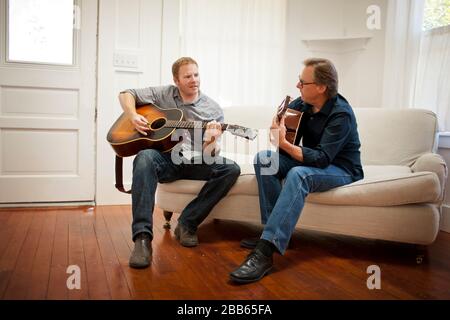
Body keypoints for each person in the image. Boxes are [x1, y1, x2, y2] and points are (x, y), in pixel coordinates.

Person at [229, 58, 364, 283]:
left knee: (298, 174)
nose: (297, 85)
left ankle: (265, 251)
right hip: (314, 161)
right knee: (264, 159)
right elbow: (284, 150)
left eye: (302, 82)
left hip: (341, 168)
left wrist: (284, 144)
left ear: (321, 87)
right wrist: (277, 133)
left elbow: (321, 159)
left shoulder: (342, 114)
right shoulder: (301, 105)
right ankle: (270, 232)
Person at [119, 57, 241, 269]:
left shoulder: (212, 109)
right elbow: (126, 93)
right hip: (166, 159)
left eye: (196, 75)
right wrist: (132, 116)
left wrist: (211, 138)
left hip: (194, 161)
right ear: (176, 80)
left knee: (230, 169)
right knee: (144, 157)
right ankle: (142, 239)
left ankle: (187, 223)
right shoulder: (164, 94)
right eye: (187, 76)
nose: (194, 80)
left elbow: (208, 155)